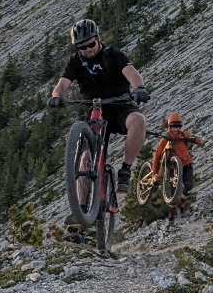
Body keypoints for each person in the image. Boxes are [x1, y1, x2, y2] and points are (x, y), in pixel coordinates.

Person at [48, 19, 149, 197]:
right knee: (85, 161)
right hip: (94, 110)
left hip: (120, 105)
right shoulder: (76, 61)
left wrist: (139, 88)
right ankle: (81, 208)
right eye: (82, 47)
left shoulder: (113, 54)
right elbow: (62, 85)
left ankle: (125, 170)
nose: (87, 49)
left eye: (91, 44)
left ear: (98, 39)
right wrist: (57, 96)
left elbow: (132, 74)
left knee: (138, 121)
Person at [152, 113, 202, 221]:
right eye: (173, 126)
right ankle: (171, 217)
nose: (176, 129)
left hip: (187, 164)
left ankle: (181, 204)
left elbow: (199, 141)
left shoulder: (184, 134)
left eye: (178, 126)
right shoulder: (165, 138)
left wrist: (195, 139)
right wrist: (154, 173)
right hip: (173, 167)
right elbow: (157, 156)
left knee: (189, 186)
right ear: (169, 126)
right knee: (172, 193)